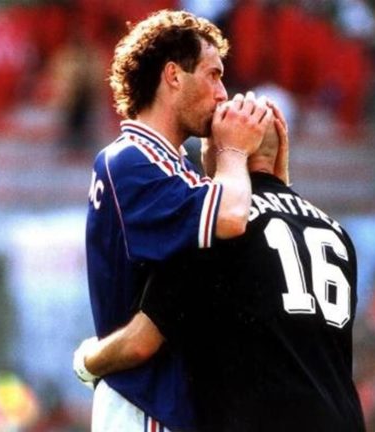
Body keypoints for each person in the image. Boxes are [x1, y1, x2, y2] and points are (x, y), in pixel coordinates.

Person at [76, 119, 365, 431]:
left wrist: (87, 361)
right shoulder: (336, 233)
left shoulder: (216, 229)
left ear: (224, 149)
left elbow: (140, 343)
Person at [83, 9, 275, 432]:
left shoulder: (176, 167)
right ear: (173, 75)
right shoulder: (131, 159)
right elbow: (230, 217)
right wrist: (233, 152)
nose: (222, 93)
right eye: (213, 75)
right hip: (147, 402)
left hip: (173, 404)